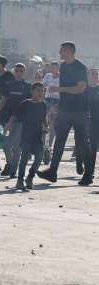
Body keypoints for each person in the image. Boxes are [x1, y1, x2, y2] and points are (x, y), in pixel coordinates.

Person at [38, 42, 93, 186]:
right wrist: (58, 106)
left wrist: (59, 89)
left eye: (62, 51)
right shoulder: (63, 66)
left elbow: (80, 88)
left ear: (69, 52)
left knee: (82, 142)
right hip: (64, 110)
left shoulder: (80, 67)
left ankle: (88, 174)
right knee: (59, 141)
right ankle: (52, 171)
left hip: (79, 111)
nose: (60, 53)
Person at [5, 83, 47, 190]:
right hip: (26, 135)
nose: (40, 93)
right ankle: (20, 181)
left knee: (39, 158)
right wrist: (8, 125)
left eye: (42, 91)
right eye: (38, 90)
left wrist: (46, 127)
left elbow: (43, 118)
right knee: (24, 159)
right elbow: (15, 115)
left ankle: (30, 177)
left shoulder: (43, 105)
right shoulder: (25, 104)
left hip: (37, 136)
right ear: (32, 91)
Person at [0, 63, 32, 178]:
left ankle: (12, 168)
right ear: (14, 72)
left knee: (13, 145)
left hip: (20, 119)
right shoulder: (9, 85)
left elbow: (31, 102)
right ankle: (11, 165)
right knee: (6, 145)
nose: (19, 73)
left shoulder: (27, 86)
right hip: (6, 119)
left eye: (21, 71)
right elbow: (4, 99)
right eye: (17, 71)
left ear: (24, 72)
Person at [42, 61, 60, 164]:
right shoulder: (48, 76)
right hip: (47, 101)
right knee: (44, 124)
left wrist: (57, 106)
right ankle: (44, 146)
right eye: (52, 67)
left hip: (57, 102)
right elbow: (43, 86)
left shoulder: (61, 78)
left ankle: (50, 147)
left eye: (55, 67)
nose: (53, 69)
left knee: (53, 125)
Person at [87, 68, 99, 178]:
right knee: (90, 147)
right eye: (93, 74)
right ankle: (89, 169)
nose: (95, 76)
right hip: (87, 121)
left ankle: (90, 171)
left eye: (97, 74)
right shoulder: (85, 89)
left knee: (93, 147)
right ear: (88, 76)